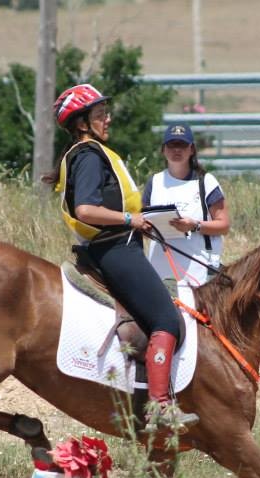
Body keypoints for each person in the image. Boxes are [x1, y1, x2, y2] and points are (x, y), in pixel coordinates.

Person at [46, 84, 198, 432]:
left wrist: (149, 221)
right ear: (82, 122)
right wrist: (131, 220)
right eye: (100, 115)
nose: (107, 119)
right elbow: (85, 209)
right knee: (166, 319)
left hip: (121, 243)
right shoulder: (88, 155)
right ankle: (160, 405)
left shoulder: (91, 152)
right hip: (113, 248)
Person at [143, 123, 231, 284]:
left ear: (192, 150)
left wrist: (194, 226)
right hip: (160, 270)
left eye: (182, 145)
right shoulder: (154, 182)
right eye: (172, 145)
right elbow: (144, 222)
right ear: (163, 150)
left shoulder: (206, 181)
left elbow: (224, 225)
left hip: (198, 271)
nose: (177, 150)